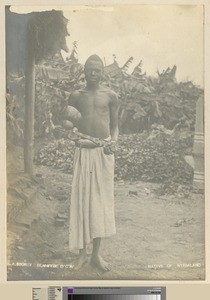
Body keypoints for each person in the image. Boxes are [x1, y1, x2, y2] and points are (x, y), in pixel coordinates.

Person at [65, 54, 119, 272]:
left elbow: (115, 126)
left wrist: (113, 143)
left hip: (104, 153)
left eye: (97, 70)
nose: (93, 74)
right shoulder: (76, 96)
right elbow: (67, 125)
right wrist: (75, 137)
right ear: (84, 71)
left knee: (100, 203)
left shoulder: (111, 95)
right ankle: (82, 254)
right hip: (83, 151)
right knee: (82, 201)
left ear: (102, 72)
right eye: (89, 69)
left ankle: (96, 254)